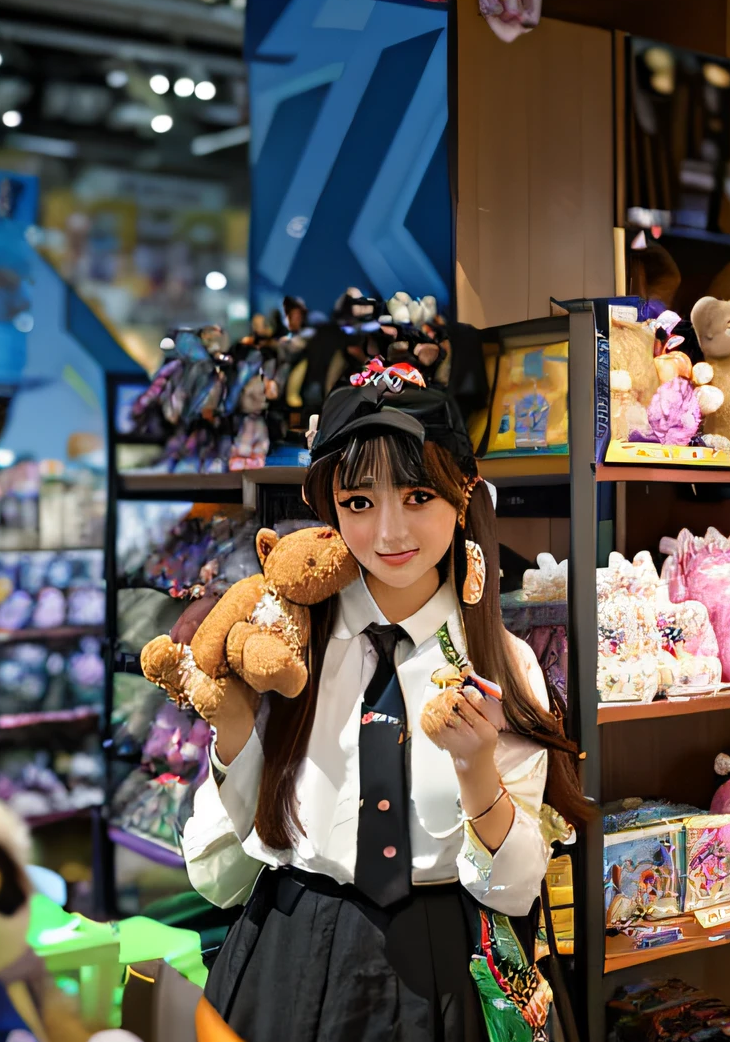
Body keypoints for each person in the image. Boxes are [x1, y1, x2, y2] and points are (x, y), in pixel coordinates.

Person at [181, 375, 585, 1042]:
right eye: (359, 500)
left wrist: (477, 769)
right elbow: (221, 871)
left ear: (462, 497)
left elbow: (514, 891)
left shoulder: (502, 666)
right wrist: (231, 735)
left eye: (419, 495)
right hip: (289, 956)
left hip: (442, 970)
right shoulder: (281, 644)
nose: (390, 530)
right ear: (329, 509)